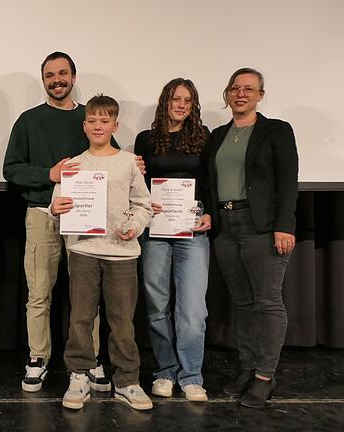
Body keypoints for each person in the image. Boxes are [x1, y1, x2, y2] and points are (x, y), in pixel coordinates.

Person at [50, 95, 153, 411]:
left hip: (122, 252)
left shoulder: (128, 162)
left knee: (122, 321)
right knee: (81, 317)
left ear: (115, 125)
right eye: (92, 120)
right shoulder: (74, 165)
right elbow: (58, 205)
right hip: (83, 250)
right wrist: (56, 209)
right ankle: (79, 375)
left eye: (104, 121)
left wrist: (134, 226)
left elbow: (143, 204)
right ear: (84, 126)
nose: (98, 126)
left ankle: (126, 381)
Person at [206, 68, 298, 408]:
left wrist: (284, 225)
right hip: (225, 226)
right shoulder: (216, 135)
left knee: (268, 302)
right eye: (235, 88)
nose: (241, 93)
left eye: (249, 88)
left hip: (261, 224)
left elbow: (289, 179)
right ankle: (246, 367)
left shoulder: (276, 131)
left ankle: (264, 376)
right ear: (227, 94)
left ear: (260, 95)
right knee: (242, 302)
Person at [134, 78, 212, 401]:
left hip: (192, 230)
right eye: (175, 99)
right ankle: (165, 371)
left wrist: (211, 216)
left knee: (193, 309)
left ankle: (191, 374)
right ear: (165, 101)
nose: (180, 105)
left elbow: (210, 181)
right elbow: (139, 186)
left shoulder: (204, 138)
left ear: (193, 105)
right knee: (156, 304)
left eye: (187, 100)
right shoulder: (146, 139)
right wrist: (136, 171)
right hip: (155, 230)